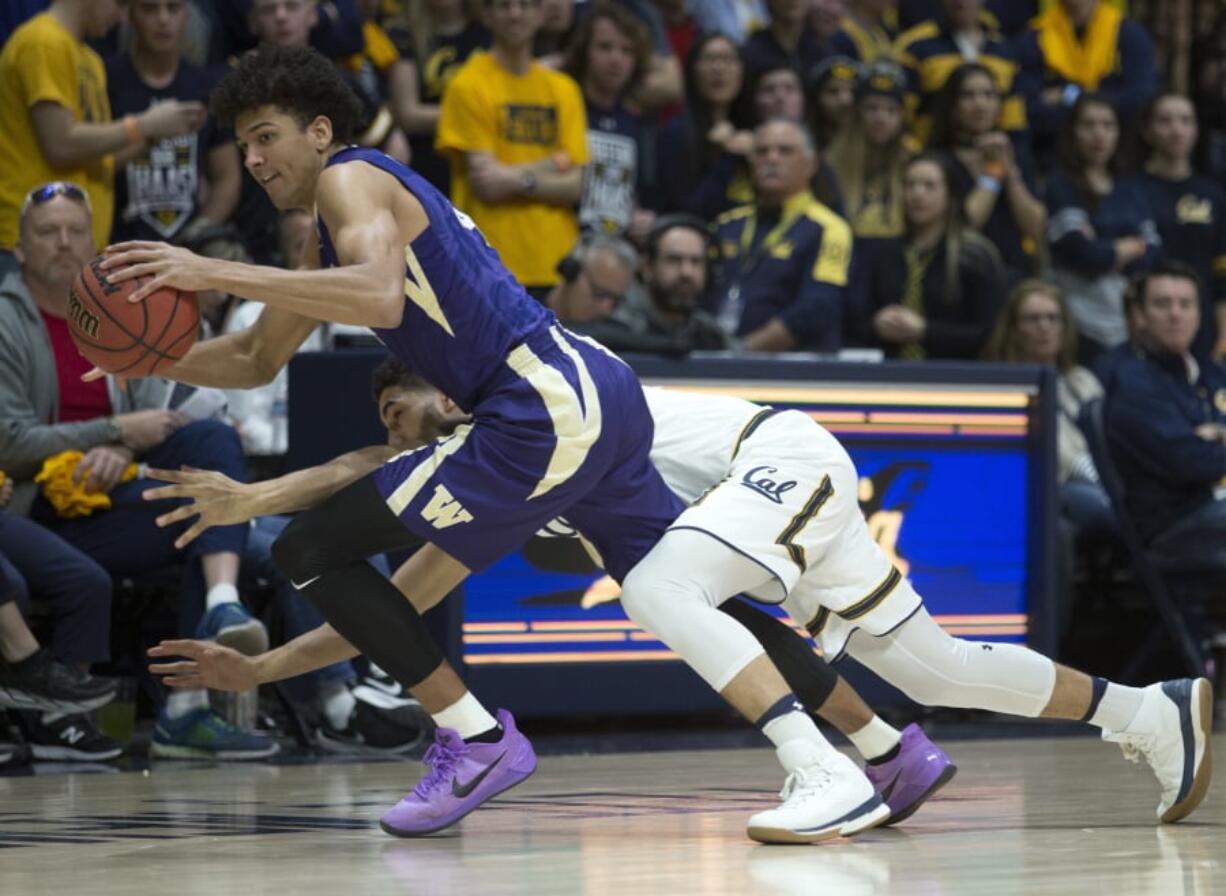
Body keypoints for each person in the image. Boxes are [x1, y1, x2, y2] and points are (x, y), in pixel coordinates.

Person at [99, 44, 890, 843]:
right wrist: (142, 354)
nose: (255, 159)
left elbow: (374, 293)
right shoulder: (330, 239)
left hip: (535, 407)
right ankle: (888, 752)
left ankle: (475, 739)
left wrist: (211, 271)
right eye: (243, 148)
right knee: (681, 592)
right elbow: (254, 358)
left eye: (266, 136)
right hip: (586, 395)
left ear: (319, 131)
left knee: (310, 548)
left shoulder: (350, 178)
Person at [151, 356, 1216, 827]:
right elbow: (397, 603)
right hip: (782, 484)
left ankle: (820, 766)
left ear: (448, 389)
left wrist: (256, 491)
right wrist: (259, 664)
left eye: (410, 402)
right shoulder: (488, 485)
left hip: (777, 452)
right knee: (930, 663)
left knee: (654, 579)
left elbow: (349, 483)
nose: (403, 426)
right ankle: (1147, 711)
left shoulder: (523, 407)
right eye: (385, 415)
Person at [0, 182, 277, 761]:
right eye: (47, 233)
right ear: (20, 249)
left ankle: (220, 607)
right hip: (37, 506)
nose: (64, 243)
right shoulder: (6, 320)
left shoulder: (122, 311)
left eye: (77, 231)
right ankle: (184, 708)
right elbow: (9, 441)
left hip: (122, 493)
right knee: (205, 522)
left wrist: (124, 452)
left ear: (96, 244)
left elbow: (165, 417)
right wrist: (112, 434)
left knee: (209, 448)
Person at [0, 0, 205, 275]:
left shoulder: (90, 60)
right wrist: (143, 124)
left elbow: (98, 161)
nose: (122, 19)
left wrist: (154, 137)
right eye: (120, 5)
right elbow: (61, 145)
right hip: (33, 244)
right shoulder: (43, 42)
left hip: (81, 244)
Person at [435, 0, 588, 299]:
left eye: (526, 4)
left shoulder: (564, 89)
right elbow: (488, 185)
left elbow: (575, 186)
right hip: (490, 263)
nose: (515, 13)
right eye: (504, 5)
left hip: (557, 263)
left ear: (541, 13)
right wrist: (555, 162)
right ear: (488, 15)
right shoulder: (467, 84)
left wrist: (514, 178)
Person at [1105, 263, 1226, 572]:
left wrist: (1214, 438)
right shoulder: (1134, 383)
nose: (1176, 314)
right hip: (1174, 529)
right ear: (1141, 316)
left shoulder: (1212, 376)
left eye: (1185, 304)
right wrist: (1205, 441)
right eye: (1162, 304)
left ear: (1199, 316)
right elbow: (1189, 461)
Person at [711, 118, 853, 352]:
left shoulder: (829, 228)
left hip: (792, 373)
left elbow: (817, 307)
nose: (772, 159)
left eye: (785, 151)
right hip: (713, 363)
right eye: (762, 151)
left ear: (811, 164)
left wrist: (743, 350)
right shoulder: (726, 224)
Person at [106, 0, 241, 245]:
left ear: (186, 14)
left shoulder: (205, 86)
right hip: (117, 242)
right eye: (149, 8)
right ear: (129, 15)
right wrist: (148, 134)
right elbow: (92, 167)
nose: (163, 19)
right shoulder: (107, 80)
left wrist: (197, 233)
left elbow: (227, 178)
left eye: (173, 8)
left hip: (187, 248)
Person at [1045, 94, 1160, 364]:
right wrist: (1129, 246)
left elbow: (1154, 254)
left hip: (1124, 321)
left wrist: (1107, 247)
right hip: (1078, 320)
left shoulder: (1130, 189)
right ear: (1072, 132)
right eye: (1089, 125)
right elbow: (1083, 254)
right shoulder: (1061, 186)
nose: (1099, 134)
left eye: (1108, 125)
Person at [857, 151, 1003, 359]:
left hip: (954, 377)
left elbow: (988, 332)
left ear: (950, 195)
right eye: (910, 185)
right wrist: (875, 323)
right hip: (889, 375)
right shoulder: (883, 253)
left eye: (929, 186)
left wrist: (926, 330)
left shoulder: (975, 256)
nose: (917, 194)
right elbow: (854, 317)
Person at [926, 62, 1044, 283]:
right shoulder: (937, 160)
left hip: (1013, 274)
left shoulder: (1012, 154)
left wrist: (1010, 174)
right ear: (952, 104)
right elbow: (964, 226)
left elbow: (1035, 227)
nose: (980, 104)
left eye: (989, 95)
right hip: (958, 276)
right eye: (968, 96)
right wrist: (992, 173)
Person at [1134, 92, 1226, 361]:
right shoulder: (1132, 191)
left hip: (1202, 319)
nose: (1177, 130)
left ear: (1196, 130)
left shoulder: (1212, 194)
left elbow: (1223, 274)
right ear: (1147, 130)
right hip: (1146, 320)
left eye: (1186, 121)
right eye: (1166, 121)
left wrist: (1223, 335)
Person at [563, 3, 654, 240]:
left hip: (619, 252)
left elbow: (640, 194)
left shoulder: (639, 124)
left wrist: (643, 219)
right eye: (605, 47)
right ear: (585, 51)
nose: (616, 59)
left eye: (627, 51)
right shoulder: (566, 110)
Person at [650, 33, 754, 220]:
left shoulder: (753, 132)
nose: (718, 68)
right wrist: (727, 157)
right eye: (709, 59)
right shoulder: (676, 132)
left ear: (742, 71)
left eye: (728, 60)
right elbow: (686, 213)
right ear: (692, 71)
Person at [893, 0, 1026, 145]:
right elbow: (898, 116)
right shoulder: (916, 46)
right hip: (931, 154)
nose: (961, 2)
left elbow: (1015, 124)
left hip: (989, 158)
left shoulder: (1004, 51)